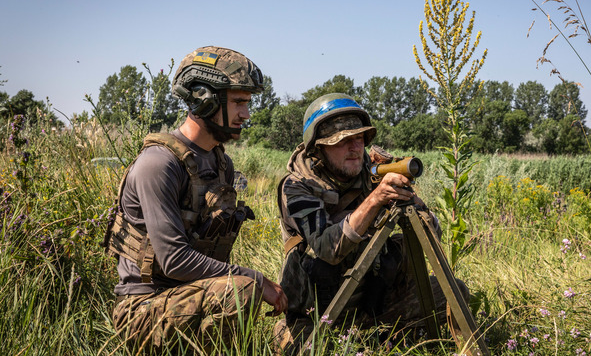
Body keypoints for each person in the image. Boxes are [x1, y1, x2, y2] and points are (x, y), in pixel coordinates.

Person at [103, 46, 287, 352]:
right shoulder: (159, 163)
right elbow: (174, 260)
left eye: (248, 103)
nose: (246, 114)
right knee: (241, 290)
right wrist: (255, 278)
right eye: (239, 102)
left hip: (188, 297)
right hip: (143, 309)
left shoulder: (220, 164)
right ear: (204, 100)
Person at [273, 93, 467, 354]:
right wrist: (375, 200)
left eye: (359, 139)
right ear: (318, 147)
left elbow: (432, 235)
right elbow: (326, 249)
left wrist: (413, 203)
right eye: (342, 141)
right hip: (318, 309)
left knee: (454, 294)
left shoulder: (373, 173)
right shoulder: (297, 187)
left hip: (373, 299)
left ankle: (386, 341)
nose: (354, 148)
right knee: (301, 348)